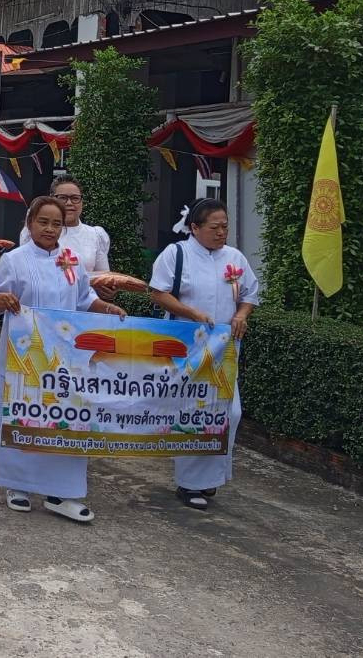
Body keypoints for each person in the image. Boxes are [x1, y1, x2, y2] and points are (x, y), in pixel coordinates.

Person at [0, 195, 126, 522]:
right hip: (26, 356)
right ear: (30, 223)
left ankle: (62, 492)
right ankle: (18, 485)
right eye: (43, 222)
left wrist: (107, 308)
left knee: (66, 416)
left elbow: (84, 298)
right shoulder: (15, 259)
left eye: (56, 223)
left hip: (66, 357)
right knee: (24, 413)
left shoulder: (71, 259)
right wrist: (2, 299)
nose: (50, 229)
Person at [147, 198, 259, 511]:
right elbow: (158, 292)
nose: (222, 232)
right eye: (215, 227)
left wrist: (241, 315)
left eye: (225, 226)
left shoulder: (234, 257)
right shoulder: (176, 253)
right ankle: (189, 483)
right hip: (188, 346)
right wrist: (190, 312)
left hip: (223, 347)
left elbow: (250, 294)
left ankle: (210, 475)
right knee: (194, 412)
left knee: (229, 412)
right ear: (195, 228)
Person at [18, 175, 115, 301]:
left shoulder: (96, 234)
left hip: (84, 308)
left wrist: (108, 291)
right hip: (43, 304)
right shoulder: (36, 233)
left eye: (75, 198)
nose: (69, 203)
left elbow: (103, 277)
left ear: (82, 202)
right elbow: (27, 270)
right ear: (51, 200)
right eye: (62, 198)